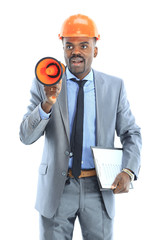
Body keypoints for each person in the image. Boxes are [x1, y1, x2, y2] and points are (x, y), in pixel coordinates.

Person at [20, 14, 142, 240]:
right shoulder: (45, 82)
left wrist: (128, 170)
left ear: (95, 49)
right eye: (70, 46)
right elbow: (25, 136)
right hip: (57, 188)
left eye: (84, 45)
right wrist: (47, 103)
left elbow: (130, 133)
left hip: (98, 188)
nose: (76, 51)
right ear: (63, 48)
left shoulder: (114, 86)